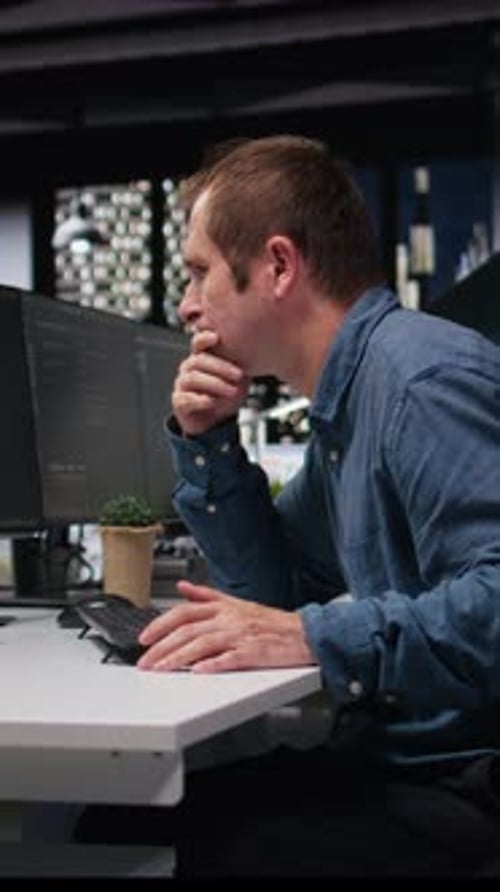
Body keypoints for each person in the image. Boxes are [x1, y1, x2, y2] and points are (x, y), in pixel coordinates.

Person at [76, 135, 500, 876]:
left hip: (467, 781)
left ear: (277, 266)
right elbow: (267, 592)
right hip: (399, 761)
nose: (184, 303)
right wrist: (209, 447)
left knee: (183, 849)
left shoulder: (418, 381)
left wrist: (314, 635)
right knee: (111, 819)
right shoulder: (348, 410)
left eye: (200, 271)